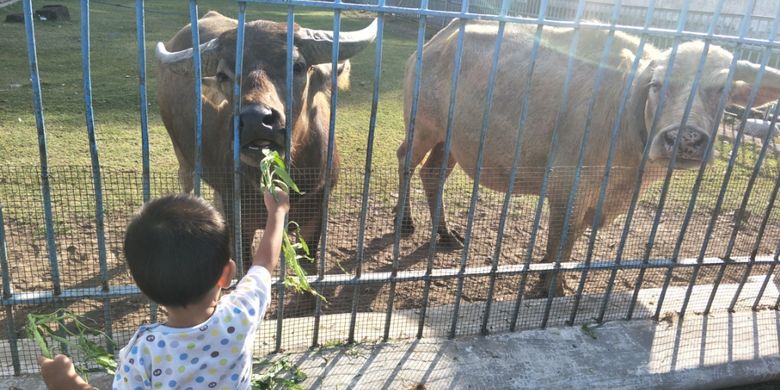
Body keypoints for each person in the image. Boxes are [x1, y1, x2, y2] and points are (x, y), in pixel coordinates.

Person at [37, 189, 289, 390]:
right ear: (226, 274)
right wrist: (277, 212)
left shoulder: (144, 352)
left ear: (142, 285)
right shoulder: (242, 314)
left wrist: (69, 385)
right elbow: (264, 263)